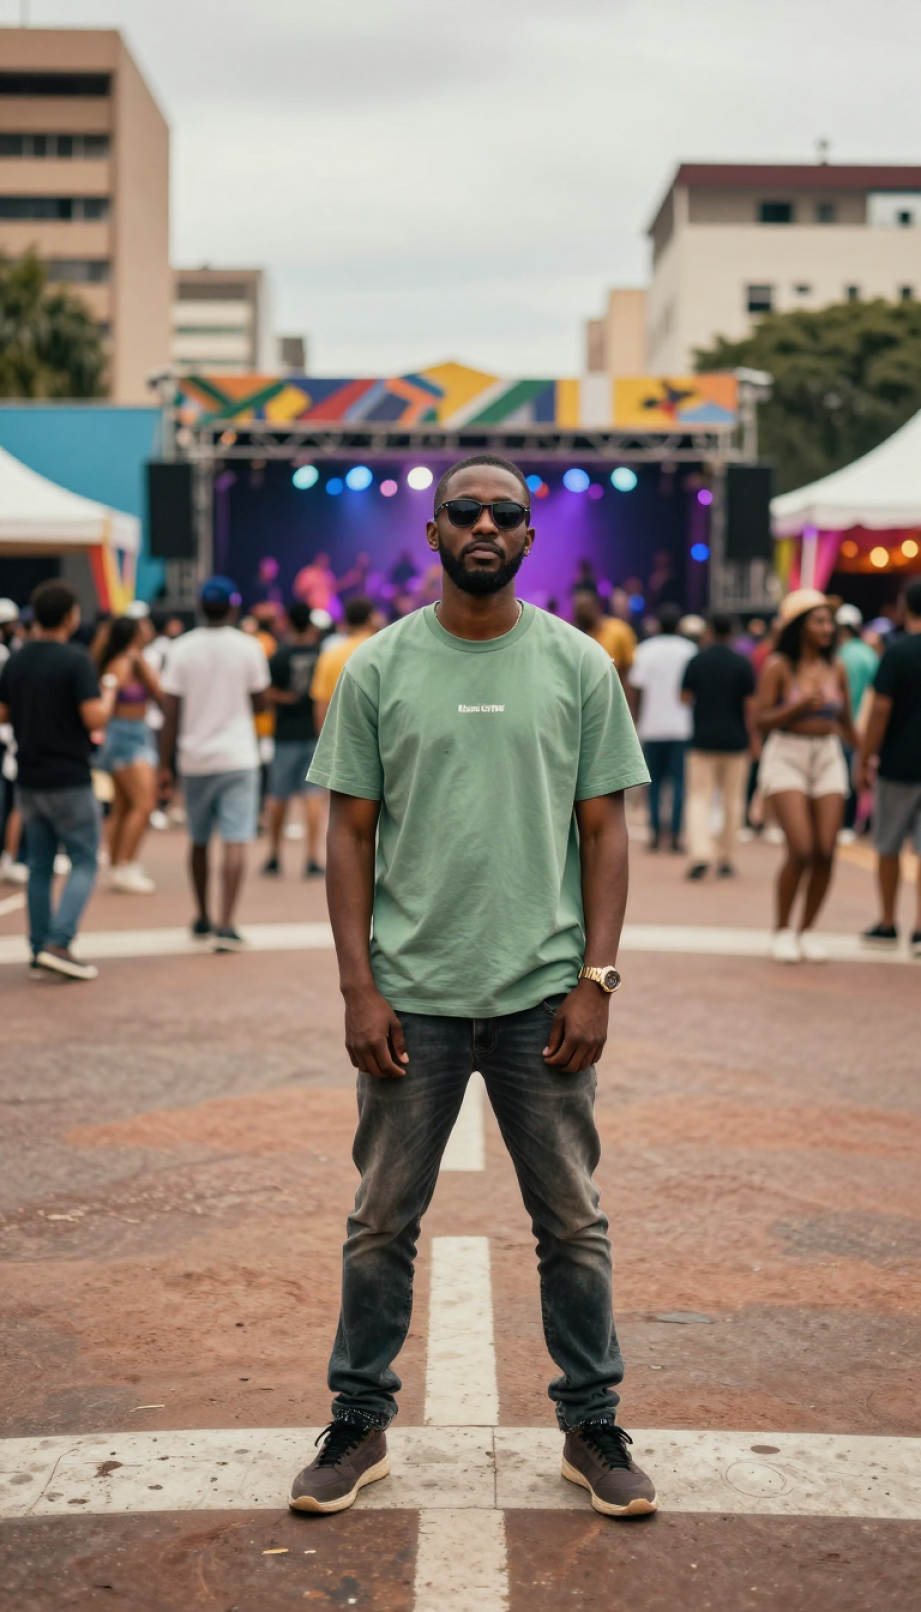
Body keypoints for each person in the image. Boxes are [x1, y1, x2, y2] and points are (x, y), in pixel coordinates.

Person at [287, 453, 656, 1521]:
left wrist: (597, 978)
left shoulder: (580, 665)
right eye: (465, 512)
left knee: (573, 1222)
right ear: (435, 532)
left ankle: (591, 1424)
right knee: (380, 1219)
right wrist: (359, 987)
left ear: (531, 537)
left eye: (505, 513)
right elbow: (347, 835)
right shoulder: (378, 666)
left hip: (544, 992)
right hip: (415, 997)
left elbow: (606, 829)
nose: (484, 525)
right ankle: (359, 1421)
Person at [0, 579, 119, 980]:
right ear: (70, 616)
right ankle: (59, 941)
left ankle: (38, 948)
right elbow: (94, 718)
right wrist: (110, 691)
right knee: (85, 859)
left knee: (40, 866)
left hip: (29, 777)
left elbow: (2, 714)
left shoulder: (16, 660)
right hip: (69, 775)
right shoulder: (75, 660)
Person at [158, 576, 270, 952]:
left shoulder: (181, 649)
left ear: (199, 608)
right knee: (236, 839)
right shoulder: (249, 647)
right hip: (239, 755)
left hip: (194, 758)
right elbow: (261, 702)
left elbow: (169, 714)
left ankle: (202, 914)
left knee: (199, 840)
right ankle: (227, 922)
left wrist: (164, 766)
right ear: (234, 608)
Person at [755, 589, 856, 963]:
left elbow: (845, 721)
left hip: (827, 755)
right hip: (787, 754)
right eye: (820, 620)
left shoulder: (838, 667)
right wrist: (797, 706)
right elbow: (761, 720)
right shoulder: (778, 665)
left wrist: (865, 758)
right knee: (801, 848)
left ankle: (807, 930)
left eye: (830, 621)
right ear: (800, 626)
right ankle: (781, 930)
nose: (828, 627)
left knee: (827, 852)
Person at [857, 579, 921, 957]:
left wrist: (865, 757)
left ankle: (887, 921)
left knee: (888, 846)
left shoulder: (896, 654)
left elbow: (879, 710)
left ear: (903, 607)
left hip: (897, 762)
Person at [681, 612, 756, 879]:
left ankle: (700, 852)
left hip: (702, 739)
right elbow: (750, 706)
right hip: (736, 740)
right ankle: (726, 855)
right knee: (733, 800)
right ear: (733, 630)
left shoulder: (697, 661)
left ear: (709, 631)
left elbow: (684, 697)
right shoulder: (742, 663)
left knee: (699, 798)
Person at [92, 616, 162, 893]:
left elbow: (157, 693)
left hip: (136, 733)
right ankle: (125, 864)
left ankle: (116, 865)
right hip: (126, 736)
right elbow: (156, 691)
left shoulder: (136, 660)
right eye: (143, 627)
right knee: (144, 805)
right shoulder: (122, 663)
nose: (148, 630)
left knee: (123, 807)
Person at [262, 602, 326, 878]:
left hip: (285, 733)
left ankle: (274, 855)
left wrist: (285, 698)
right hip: (313, 733)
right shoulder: (320, 655)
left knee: (278, 797)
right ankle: (312, 857)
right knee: (313, 797)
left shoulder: (280, 654)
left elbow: (267, 691)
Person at [627, 602, 696, 851]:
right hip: (682, 726)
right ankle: (676, 836)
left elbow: (636, 687)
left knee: (653, 783)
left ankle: (655, 835)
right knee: (678, 784)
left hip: (652, 725)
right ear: (679, 626)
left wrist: (635, 717)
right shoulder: (689, 650)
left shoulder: (646, 650)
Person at [835, 604, 879, 837]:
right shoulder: (869, 654)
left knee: (841, 776)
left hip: (840, 725)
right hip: (864, 725)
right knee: (858, 776)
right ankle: (853, 825)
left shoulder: (838, 656)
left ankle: (843, 823)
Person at [310, 597, 377, 732]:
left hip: (343, 735)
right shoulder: (385, 651)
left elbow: (321, 702)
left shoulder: (330, 655)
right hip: (380, 736)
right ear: (370, 619)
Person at [572, 584, 637, 688]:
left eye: (586, 608)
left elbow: (628, 674)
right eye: (579, 609)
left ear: (598, 608)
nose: (583, 613)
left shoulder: (619, 631)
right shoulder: (573, 636)